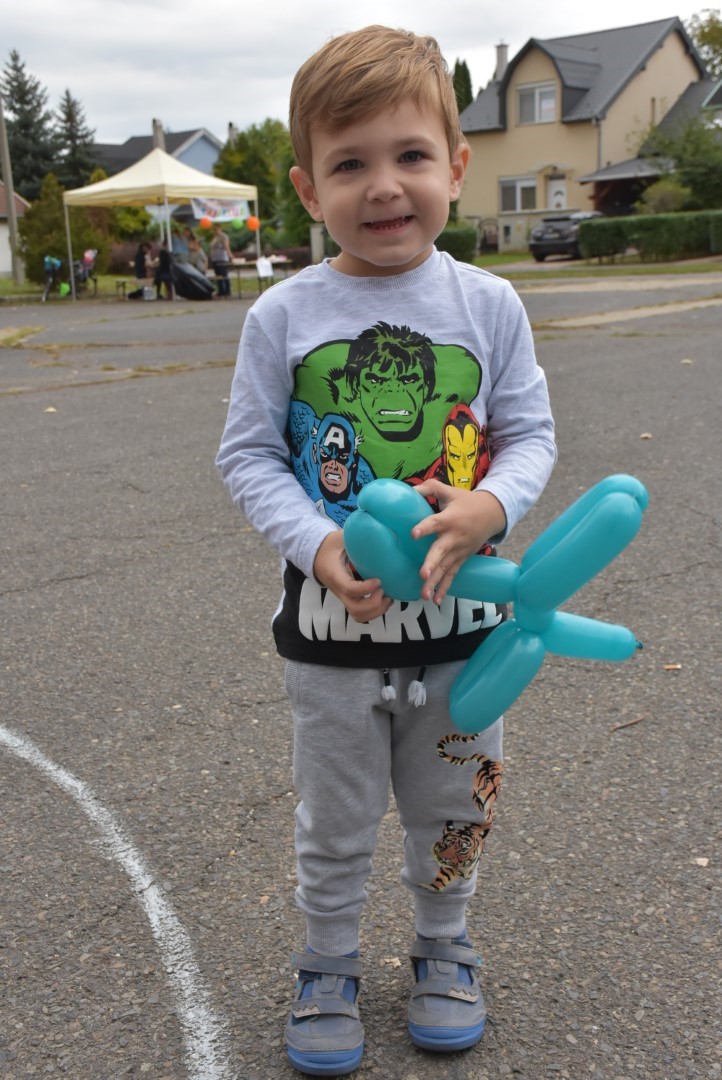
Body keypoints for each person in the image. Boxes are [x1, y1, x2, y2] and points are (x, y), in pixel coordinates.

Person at [216, 25, 556, 1078]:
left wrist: (490, 506)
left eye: (410, 155)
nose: (383, 186)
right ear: (306, 187)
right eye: (349, 163)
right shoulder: (283, 314)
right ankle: (326, 962)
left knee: (458, 804)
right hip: (333, 640)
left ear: (455, 165)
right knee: (335, 819)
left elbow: (530, 436)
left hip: (466, 637)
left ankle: (444, 945)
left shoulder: (487, 304)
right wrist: (318, 544)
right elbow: (248, 455)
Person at [209, 224, 232, 297]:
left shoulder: (223, 236)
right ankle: (221, 290)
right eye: (214, 229)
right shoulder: (215, 238)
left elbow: (226, 246)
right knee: (218, 275)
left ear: (220, 229)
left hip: (221, 258)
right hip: (215, 259)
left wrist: (230, 255)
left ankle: (227, 290)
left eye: (216, 229)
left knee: (224, 274)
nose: (215, 231)